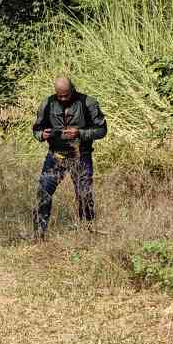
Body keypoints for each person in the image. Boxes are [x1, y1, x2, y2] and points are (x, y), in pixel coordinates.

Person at [31, 77, 108, 239]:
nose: (63, 99)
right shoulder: (47, 103)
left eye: (66, 95)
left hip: (81, 156)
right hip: (55, 156)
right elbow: (36, 129)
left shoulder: (88, 103)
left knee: (84, 194)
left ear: (73, 89)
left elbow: (102, 130)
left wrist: (79, 133)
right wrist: (42, 135)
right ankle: (38, 233)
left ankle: (87, 232)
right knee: (43, 192)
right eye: (60, 96)